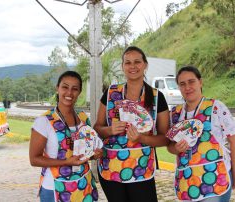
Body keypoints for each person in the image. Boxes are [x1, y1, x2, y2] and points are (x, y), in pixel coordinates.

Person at [93, 46, 170, 202]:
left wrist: (142, 139)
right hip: (112, 169)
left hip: (141, 170)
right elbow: (97, 128)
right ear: (122, 67)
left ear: (145, 65)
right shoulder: (110, 93)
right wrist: (109, 130)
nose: (132, 66)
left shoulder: (156, 97)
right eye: (127, 62)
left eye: (137, 62)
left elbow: (165, 138)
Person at [167, 66, 235, 202]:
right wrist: (176, 148)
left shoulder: (216, 107)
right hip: (187, 181)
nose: (187, 87)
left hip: (214, 180)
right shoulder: (175, 114)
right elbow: (170, 146)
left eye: (191, 82)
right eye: (182, 84)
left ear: (200, 82)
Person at [29, 71, 103, 202]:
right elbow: (34, 159)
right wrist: (66, 162)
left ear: (79, 92)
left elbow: (86, 150)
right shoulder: (44, 121)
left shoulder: (83, 118)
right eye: (65, 87)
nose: (69, 93)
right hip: (55, 188)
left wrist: (93, 154)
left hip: (84, 184)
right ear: (57, 88)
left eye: (75, 89)